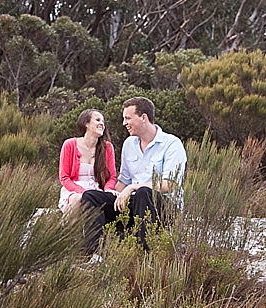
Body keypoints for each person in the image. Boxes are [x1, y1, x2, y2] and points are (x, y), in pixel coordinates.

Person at [112, 96, 187, 249]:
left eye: (128, 118)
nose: (124, 123)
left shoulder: (172, 144)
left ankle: (145, 252)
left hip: (165, 207)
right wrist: (112, 194)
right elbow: (123, 181)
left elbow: (170, 184)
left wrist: (134, 187)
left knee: (144, 193)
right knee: (93, 197)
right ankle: (94, 254)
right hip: (134, 203)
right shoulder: (129, 144)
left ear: (143, 118)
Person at [60, 108, 121, 253]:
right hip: (74, 188)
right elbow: (64, 177)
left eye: (103, 121)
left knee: (95, 201)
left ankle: (92, 247)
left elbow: (112, 176)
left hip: (97, 189)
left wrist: (108, 190)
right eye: (98, 120)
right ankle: (65, 237)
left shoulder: (107, 147)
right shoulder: (70, 144)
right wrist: (82, 192)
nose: (102, 124)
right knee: (77, 199)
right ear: (86, 123)